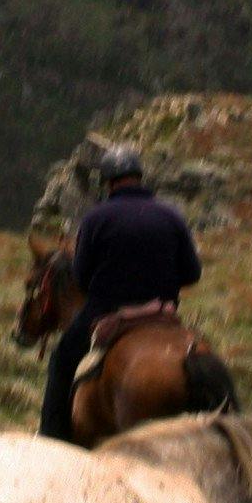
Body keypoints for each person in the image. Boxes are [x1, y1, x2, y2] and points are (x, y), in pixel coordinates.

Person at [40, 145, 204, 441]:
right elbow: (192, 273)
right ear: (139, 177)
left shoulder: (95, 219)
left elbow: (81, 277)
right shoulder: (172, 216)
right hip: (163, 315)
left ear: (108, 182)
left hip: (107, 312)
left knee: (62, 359)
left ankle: (51, 439)